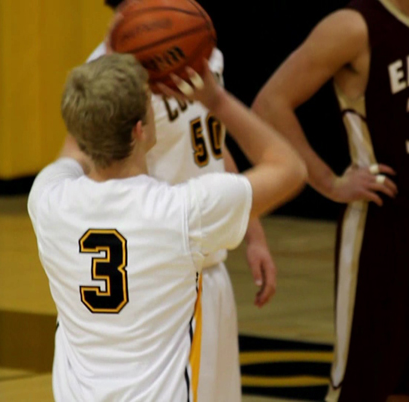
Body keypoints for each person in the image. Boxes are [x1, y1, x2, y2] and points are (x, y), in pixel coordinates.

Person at [27, 53, 305, 401]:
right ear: (140, 129)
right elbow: (290, 168)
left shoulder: (47, 197)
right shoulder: (182, 214)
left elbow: (73, 145)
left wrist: (113, 48)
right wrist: (215, 100)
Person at [252, 0, 409, 401]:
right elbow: (270, 103)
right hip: (381, 231)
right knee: (362, 389)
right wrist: (328, 182)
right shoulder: (353, 27)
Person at [89, 2, 280, 400]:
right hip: (163, 273)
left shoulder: (195, 39)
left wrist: (254, 233)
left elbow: (211, 140)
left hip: (210, 268)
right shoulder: (107, 75)